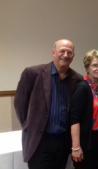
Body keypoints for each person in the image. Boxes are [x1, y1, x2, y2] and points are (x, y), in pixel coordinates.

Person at [14, 39, 82, 169]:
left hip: (62, 141)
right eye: (62, 51)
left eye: (70, 52)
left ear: (73, 56)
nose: (66, 55)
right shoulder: (32, 73)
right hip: (39, 141)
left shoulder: (76, 79)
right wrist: (29, 126)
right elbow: (20, 104)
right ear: (53, 53)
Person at [70, 49, 98, 169]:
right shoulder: (82, 88)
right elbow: (74, 120)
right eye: (94, 65)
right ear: (87, 67)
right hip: (87, 140)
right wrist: (76, 147)